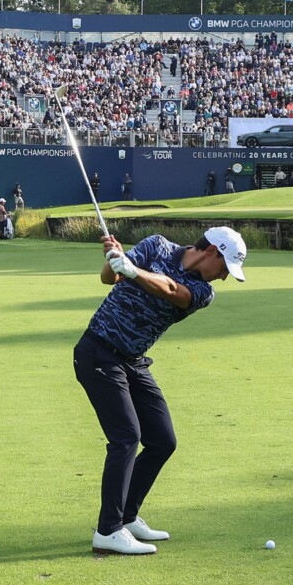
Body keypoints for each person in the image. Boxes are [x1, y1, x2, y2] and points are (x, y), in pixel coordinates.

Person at [75, 226, 248, 555]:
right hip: (98, 352)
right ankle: (108, 530)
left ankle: (126, 516)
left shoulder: (202, 291)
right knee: (126, 437)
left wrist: (131, 269)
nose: (224, 277)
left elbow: (171, 290)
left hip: (133, 361)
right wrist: (114, 259)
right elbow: (108, 279)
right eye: (225, 268)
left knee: (162, 441)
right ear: (211, 251)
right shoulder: (157, 246)